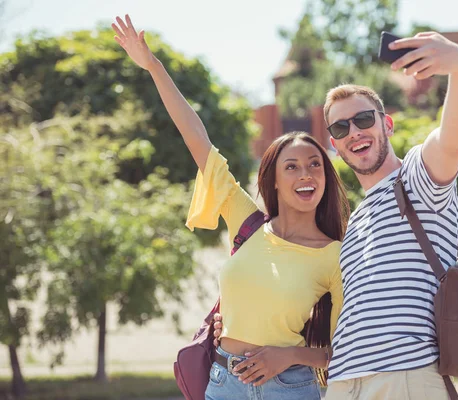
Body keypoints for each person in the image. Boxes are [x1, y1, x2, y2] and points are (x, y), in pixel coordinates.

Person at [214, 32, 458, 400]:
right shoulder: (356, 222)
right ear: (334, 145)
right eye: (340, 127)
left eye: (364, 119)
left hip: (402, 375)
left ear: (387, 125)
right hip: (342, 382)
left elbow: (453, 140)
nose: (354, 131)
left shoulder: (417, 179)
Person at [111, 14, 350, 400]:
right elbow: (197, 139)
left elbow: (340, 351)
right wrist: (153, 66)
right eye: (292, 166)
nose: (306, 174)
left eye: (314, 165)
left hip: (289, 389)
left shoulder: (335, 255)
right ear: (273, 178)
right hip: (223, 383)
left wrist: (287, 355)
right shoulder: (249, 223)